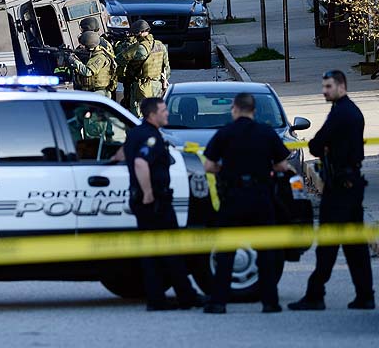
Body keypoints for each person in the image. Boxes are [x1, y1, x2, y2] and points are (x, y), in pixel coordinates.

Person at [288, 70, 375, 311]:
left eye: (328, 86)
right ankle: (365, 295)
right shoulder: (350, 111)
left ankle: (315, 295)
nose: (324, 91)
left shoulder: (341, 114)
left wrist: (324, 147)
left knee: (328, 246)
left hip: (339, 191)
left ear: (341, 86)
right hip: (350, 186)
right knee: (355, 247)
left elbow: (316, 144)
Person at [201, 93, 290, 314]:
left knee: (226, 253)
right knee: (266, 253)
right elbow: (281, 166)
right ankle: (270, 303)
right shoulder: (266, 132)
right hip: (261, 197)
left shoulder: (225, 133)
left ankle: (218, 302)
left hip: (233, 198)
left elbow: (209, 166)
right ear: (254, 110)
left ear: (235, 109)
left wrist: (226, 171)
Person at [124, 97, 205, 311]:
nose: (167, 113)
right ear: (152, 114)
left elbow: (123, 153)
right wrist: (148, 192)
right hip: (156, 203)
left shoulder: (135, 133)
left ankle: (158, 299)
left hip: (143, 204)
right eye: (163, 110)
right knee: (171, 251)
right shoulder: (150, 137)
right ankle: (185, 296)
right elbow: (141, 163)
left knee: (152, 254)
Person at [117, 20, 170, 117]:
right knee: (156, 113)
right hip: (158, 85)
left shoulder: (139, 48)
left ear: (139, 33)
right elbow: (166, 68)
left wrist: (123, 46)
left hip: (142, 87)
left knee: (138, 114)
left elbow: (120, 60)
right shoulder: (160, 45)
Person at [79, 17, 118, 100]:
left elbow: (87, 69)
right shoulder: (104, 43)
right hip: (105, 84)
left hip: (97, 85)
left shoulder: (92, 44)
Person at [68, 31, 115, 98]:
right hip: (93, 92)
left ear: (89, 46)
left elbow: (87, 72)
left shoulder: (100, 57)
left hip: (100, 92)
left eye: (83, 45)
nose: (81, 47)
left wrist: (75, 61)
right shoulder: (93, 54)